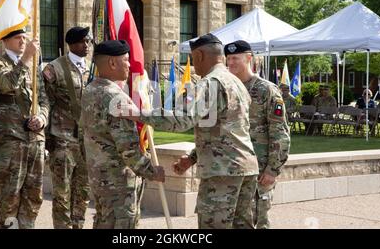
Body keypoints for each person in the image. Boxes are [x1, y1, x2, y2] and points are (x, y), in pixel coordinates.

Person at [119, 34, 259, 229]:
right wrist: (192, 158)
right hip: (246, 168)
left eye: (193, 59)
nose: (194, 65)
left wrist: (139, 114)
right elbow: (227, 132)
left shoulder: (209, 83)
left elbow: (182, 119)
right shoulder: (237, 83)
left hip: (222, 172)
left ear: (200, 55)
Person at [80, 40, 165, 229]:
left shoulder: (90, 90)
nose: (129, 64)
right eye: (125, 60)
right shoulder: (115, 97)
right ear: (112, 63)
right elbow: (128, 149)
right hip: (118, 182)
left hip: (99, 177)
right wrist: (152, 171)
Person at [0, 29, 49, 229]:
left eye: (24, 37)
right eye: (17, 38)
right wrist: (27, 58)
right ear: (5, 40)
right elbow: (7, 85)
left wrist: (42, 117)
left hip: (35, 139)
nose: (23, 41)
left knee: (33, 196)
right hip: (11, 141)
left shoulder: (32, 67)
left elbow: (44, 99)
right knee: (10, 197)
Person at [224, 40, 290, 229]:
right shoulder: (228, 89)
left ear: (249, 58)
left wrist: (272, 169)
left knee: (257, 221)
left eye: (236, 58)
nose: (231, 63)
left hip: (259, 171)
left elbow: (280, 132)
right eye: (228, 59)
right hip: (233, 169)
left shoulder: (266, 90)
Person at [42, 27, 92, 229]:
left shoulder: (92, 68)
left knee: (83, 192)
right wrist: (47, 139)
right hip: (62, 139)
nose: (87, 45)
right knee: (62, 194)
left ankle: (78, 226)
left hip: (85, 142)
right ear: (71, 44)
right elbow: (45, 102)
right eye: (82, 42)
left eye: (88, 41)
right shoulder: (55, 68)